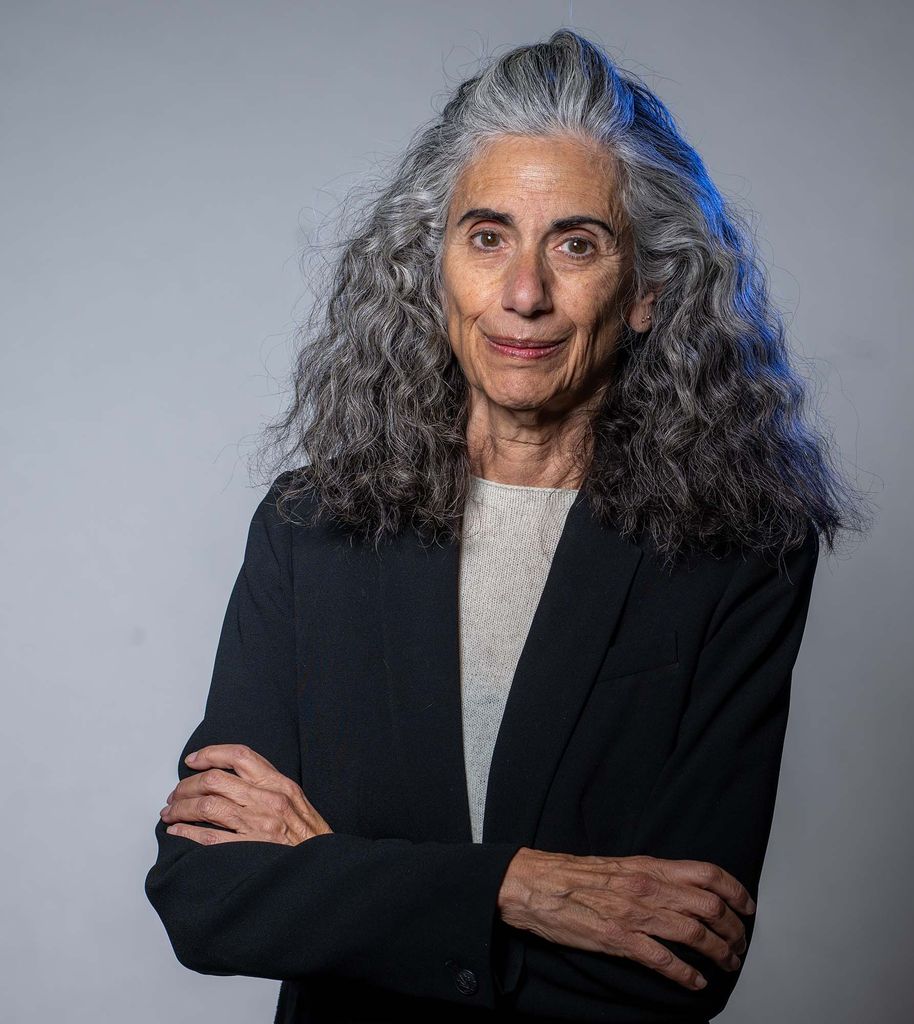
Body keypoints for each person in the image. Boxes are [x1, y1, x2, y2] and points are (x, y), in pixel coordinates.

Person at [145, 28, 869, 1024]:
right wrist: (520, 888)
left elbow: (674, 959)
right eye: (487, 236)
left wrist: (331, 874)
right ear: (432, 267)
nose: (523, 294)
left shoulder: (740, 555)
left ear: (649, 290)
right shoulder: (309, 528)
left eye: (576, 243)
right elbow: (206, 898)